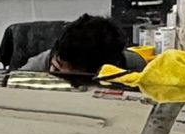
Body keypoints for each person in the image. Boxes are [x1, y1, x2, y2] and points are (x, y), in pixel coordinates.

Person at [13, 14, 147, 85]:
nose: (66, 81)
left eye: (74, 78)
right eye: (57, 70)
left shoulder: (134, 69)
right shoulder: (41, 64)